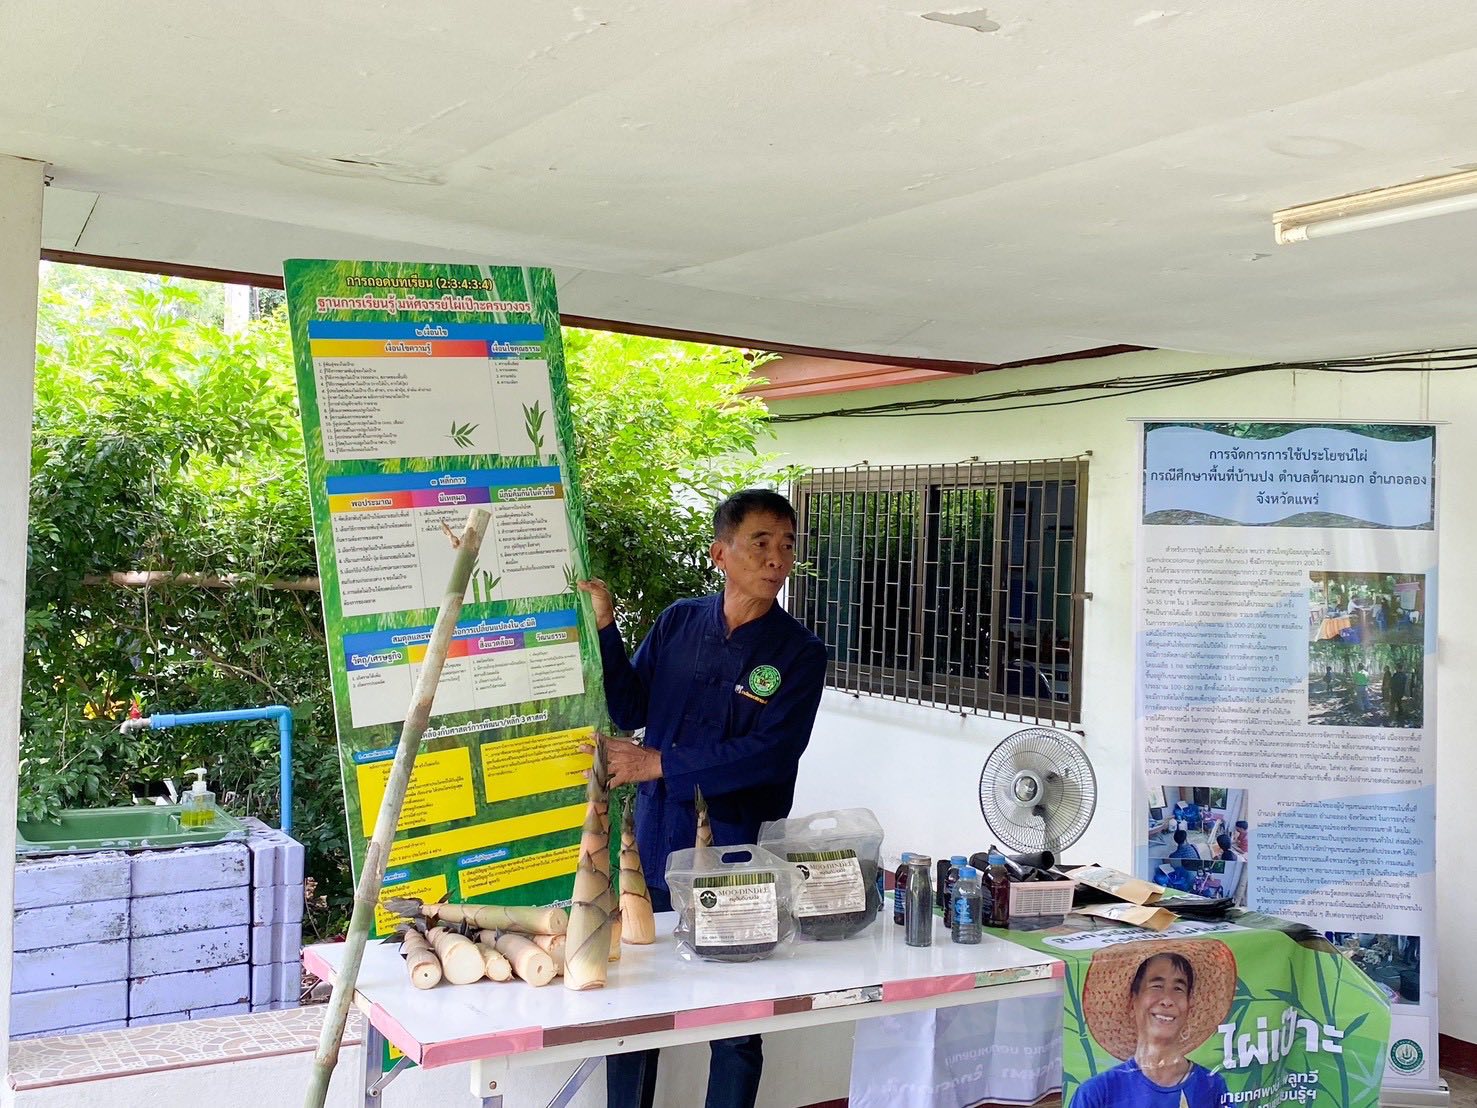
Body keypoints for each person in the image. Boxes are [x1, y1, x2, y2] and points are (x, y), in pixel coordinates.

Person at [580, 489, 828, 1108]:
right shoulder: (679, 622)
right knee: (635, 1010)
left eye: (787, 545)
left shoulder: (799, 653)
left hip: (736, 856)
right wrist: (606, 628)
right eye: (760, 543)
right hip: (652, 847)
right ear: (720, 553)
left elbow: (772, 754)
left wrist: (659, 763)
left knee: (737, 1022)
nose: (776, 559)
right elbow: (630, 707)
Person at [1075, 952, 1231, 1108]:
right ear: (1133, 1001)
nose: (1167, 1000)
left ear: (1189, 1005)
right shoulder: (1096, 1094)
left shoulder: (1212, 1087)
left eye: (1178, 988)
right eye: (1157, 986)